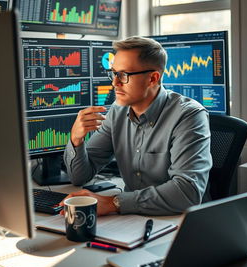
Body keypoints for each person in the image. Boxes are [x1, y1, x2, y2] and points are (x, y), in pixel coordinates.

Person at [63, 36, 212, 216]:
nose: (114, 83)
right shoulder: (117, 112)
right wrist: (76, 140)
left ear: (153, 78)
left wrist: (114, 203)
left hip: (180, 220)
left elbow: (187, 193)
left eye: (123, 75)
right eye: (113, 73)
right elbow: (79, 177)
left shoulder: (189, 116)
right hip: (132, 218)